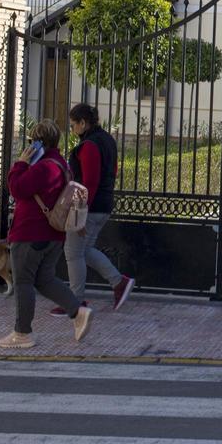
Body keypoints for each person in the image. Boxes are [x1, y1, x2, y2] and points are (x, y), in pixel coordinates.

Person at [1, 119, 93, 349]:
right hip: (53, 236)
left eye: (32, 141)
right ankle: (78, 311)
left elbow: (16, 188)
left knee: (23, 282)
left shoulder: (43, 168)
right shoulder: (62, 165)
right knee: (45, 280)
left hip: (30, 234)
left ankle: (22, 333)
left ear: (38, 143)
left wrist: (20, 164)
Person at [53, 103, 134, 315]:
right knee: (84, 250)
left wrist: (80, 213)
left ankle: (75, 302)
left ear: (83, 123)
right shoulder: (107, 140)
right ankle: (119, 282)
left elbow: (90, 182)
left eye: (73, 125)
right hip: (103, 205)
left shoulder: (89, 145)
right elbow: (112, 172)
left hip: (89, 207)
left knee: (72, 252)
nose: (72, 130)